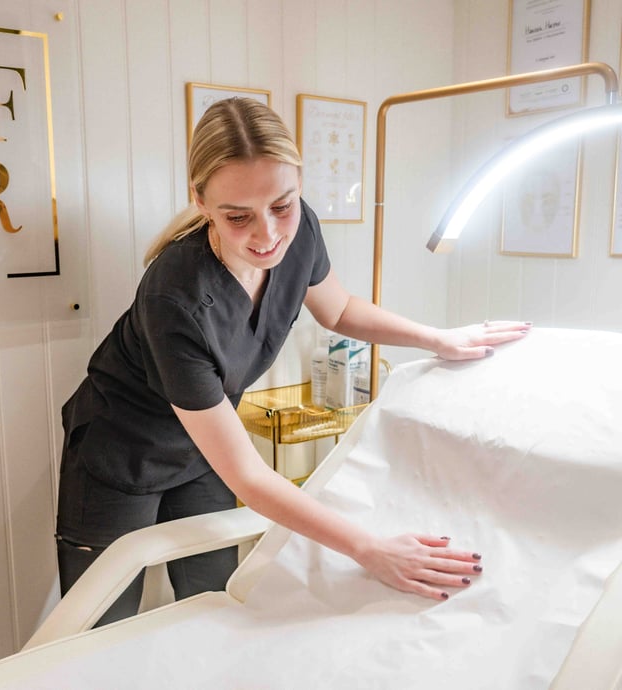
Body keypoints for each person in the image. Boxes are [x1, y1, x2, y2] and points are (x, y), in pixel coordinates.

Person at [55, 97, 531, 625]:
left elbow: (340, 308)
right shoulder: (177, 298)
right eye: (238, 217)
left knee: (209, 603)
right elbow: (249, 478)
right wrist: (368, 548)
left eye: (281, 205)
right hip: (118, 456)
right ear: (200, 201)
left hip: (204, 452)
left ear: (299, 184)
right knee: (95, 625)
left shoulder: (299, 228)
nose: (267, 235)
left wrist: (435, 338)